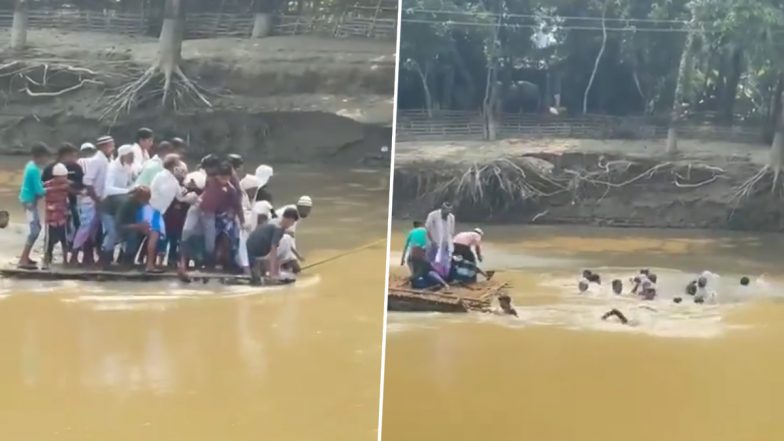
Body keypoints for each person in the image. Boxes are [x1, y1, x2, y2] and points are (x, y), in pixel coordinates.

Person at [41, 143, 84, 248]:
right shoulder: (50, 168)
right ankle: (48, 251)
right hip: (54, 206)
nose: (75, 158)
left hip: (72, 202)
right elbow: (42, 185)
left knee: (76, 225)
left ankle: (70, 249)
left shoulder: (76, 167)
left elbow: (81, 184)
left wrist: (70, 184)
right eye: (73, 155)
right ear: (64, 155)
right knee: (53, 229)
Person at [99, 144, 135, 264]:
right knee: (112, 233)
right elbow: (108, 189)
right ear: (123, 156)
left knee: (122, 233)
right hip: (108, 207)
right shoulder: (113, 168)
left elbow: (129, 184)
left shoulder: (128, 167)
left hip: (121, 206)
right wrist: (128, 191)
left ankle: (117, 259)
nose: (133, 158)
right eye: (130, 156)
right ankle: (104, 259)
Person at [145, 155, 182, 272]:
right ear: (174, 166)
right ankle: (149, 265)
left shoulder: (168, 178)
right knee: (154, 237)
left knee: (155, 237)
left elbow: (179, 196)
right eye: (178, 165)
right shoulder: (165, 177)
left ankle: (152, 264)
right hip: (154, 210)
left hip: (157, 211)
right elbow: (175, 195)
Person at [17, 142, 51, 268]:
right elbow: (39, 191)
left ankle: (25, 257)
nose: (47, 159)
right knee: (35, 230)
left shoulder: (30, 165)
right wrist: (52, 188)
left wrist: (46, 185)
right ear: (40, 156)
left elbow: (39, 186)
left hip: (28, 200)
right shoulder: (34, 169)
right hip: (29, 202)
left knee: (35, 228)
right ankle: (23, 259)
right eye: (45, 156)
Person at [246, 207, 299, 285]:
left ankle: (266, 269)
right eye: (292, 222)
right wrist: (272, 275)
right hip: (256, 252)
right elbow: (273, 250)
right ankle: (274, 271)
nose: (292, 225)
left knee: (285, 240)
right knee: (286, 242)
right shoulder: (279, 228)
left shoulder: (275, 221)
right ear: (290, 220)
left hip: (249, 248)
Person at [41, 164, 72, 268]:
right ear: (57, 176)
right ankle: (46, 260)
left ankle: (66, 260)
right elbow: (40, 190)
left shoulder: (66, 185)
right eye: (63, 176)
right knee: (49, 242)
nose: (65, 178)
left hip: (63, 217)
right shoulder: (48, 185)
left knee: (65, 240)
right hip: (51, 218)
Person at [116, 187, 152, 266]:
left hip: (133, 226)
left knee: (145, 234)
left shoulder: (141, 205)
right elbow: (118, 225)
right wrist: (137, 226)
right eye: (146, 199)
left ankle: (133, 257)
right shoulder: (126, 204)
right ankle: (126, 260)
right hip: (121, 225)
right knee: (133, 235)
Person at [425, 202, 455, 277]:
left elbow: (451, 232)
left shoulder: (451, 217)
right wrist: (432, 241)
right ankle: (429, 275)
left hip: (445, 242)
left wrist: (450, 243)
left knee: (445, 261)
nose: (448, 214)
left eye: (450, 211)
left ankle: (443, 276)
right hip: (434, 241)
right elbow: (427, 229)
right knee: (431, 260)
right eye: (446, 212)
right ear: (442, 209)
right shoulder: (433, 215)